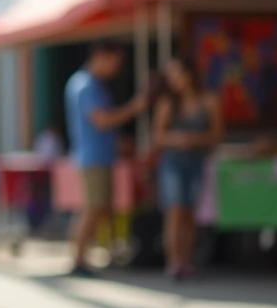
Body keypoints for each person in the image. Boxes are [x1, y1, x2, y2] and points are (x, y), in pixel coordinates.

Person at [64, 40, 149, 277]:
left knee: (100, 208)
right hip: (93, 158)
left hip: (101, 156)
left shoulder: (93, 84)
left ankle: (93, 256)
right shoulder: (85, 84)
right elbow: (101, 120)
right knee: (92, 209)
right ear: (101, 56)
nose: (116, 68)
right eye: (115, 62)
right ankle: (78, 260)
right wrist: (134, 108)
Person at [153, 56, 222, 280]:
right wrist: (178, 140)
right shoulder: (167, 103)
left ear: (190, 74)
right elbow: (158, 136)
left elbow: (217, 134)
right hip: (173, 162)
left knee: (190, 214)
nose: (173, 79)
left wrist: (195, 139)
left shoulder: (208, 100)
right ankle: (174, 262)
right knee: (175, 212)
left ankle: (186, 261)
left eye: (177, 73)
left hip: (196, 161)